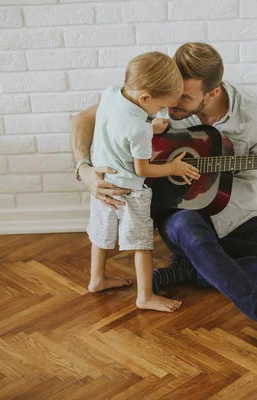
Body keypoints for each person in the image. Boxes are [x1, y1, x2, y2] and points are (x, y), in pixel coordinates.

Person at [70, 42, 257, 366]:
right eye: (172, 96)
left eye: (184, 99)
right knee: (189, 230)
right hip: (179, 212)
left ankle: (191, 270)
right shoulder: (157, 92)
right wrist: (84, 169)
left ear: (212, 92)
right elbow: (82, 119)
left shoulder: (255, 115)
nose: (173, 105)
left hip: (234, 215)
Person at [84, 51, 200, 313]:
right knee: (141, 243)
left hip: (102, 183)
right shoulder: (138, 130)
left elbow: (118, 124)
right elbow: (143, 168)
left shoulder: (111, 93)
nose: (159, 111)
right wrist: (174, 166)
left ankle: (97, 279)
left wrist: (150, 125)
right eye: (159, 106)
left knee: (101, 236)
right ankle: (145, 296)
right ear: (145, 98)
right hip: (129, 191)